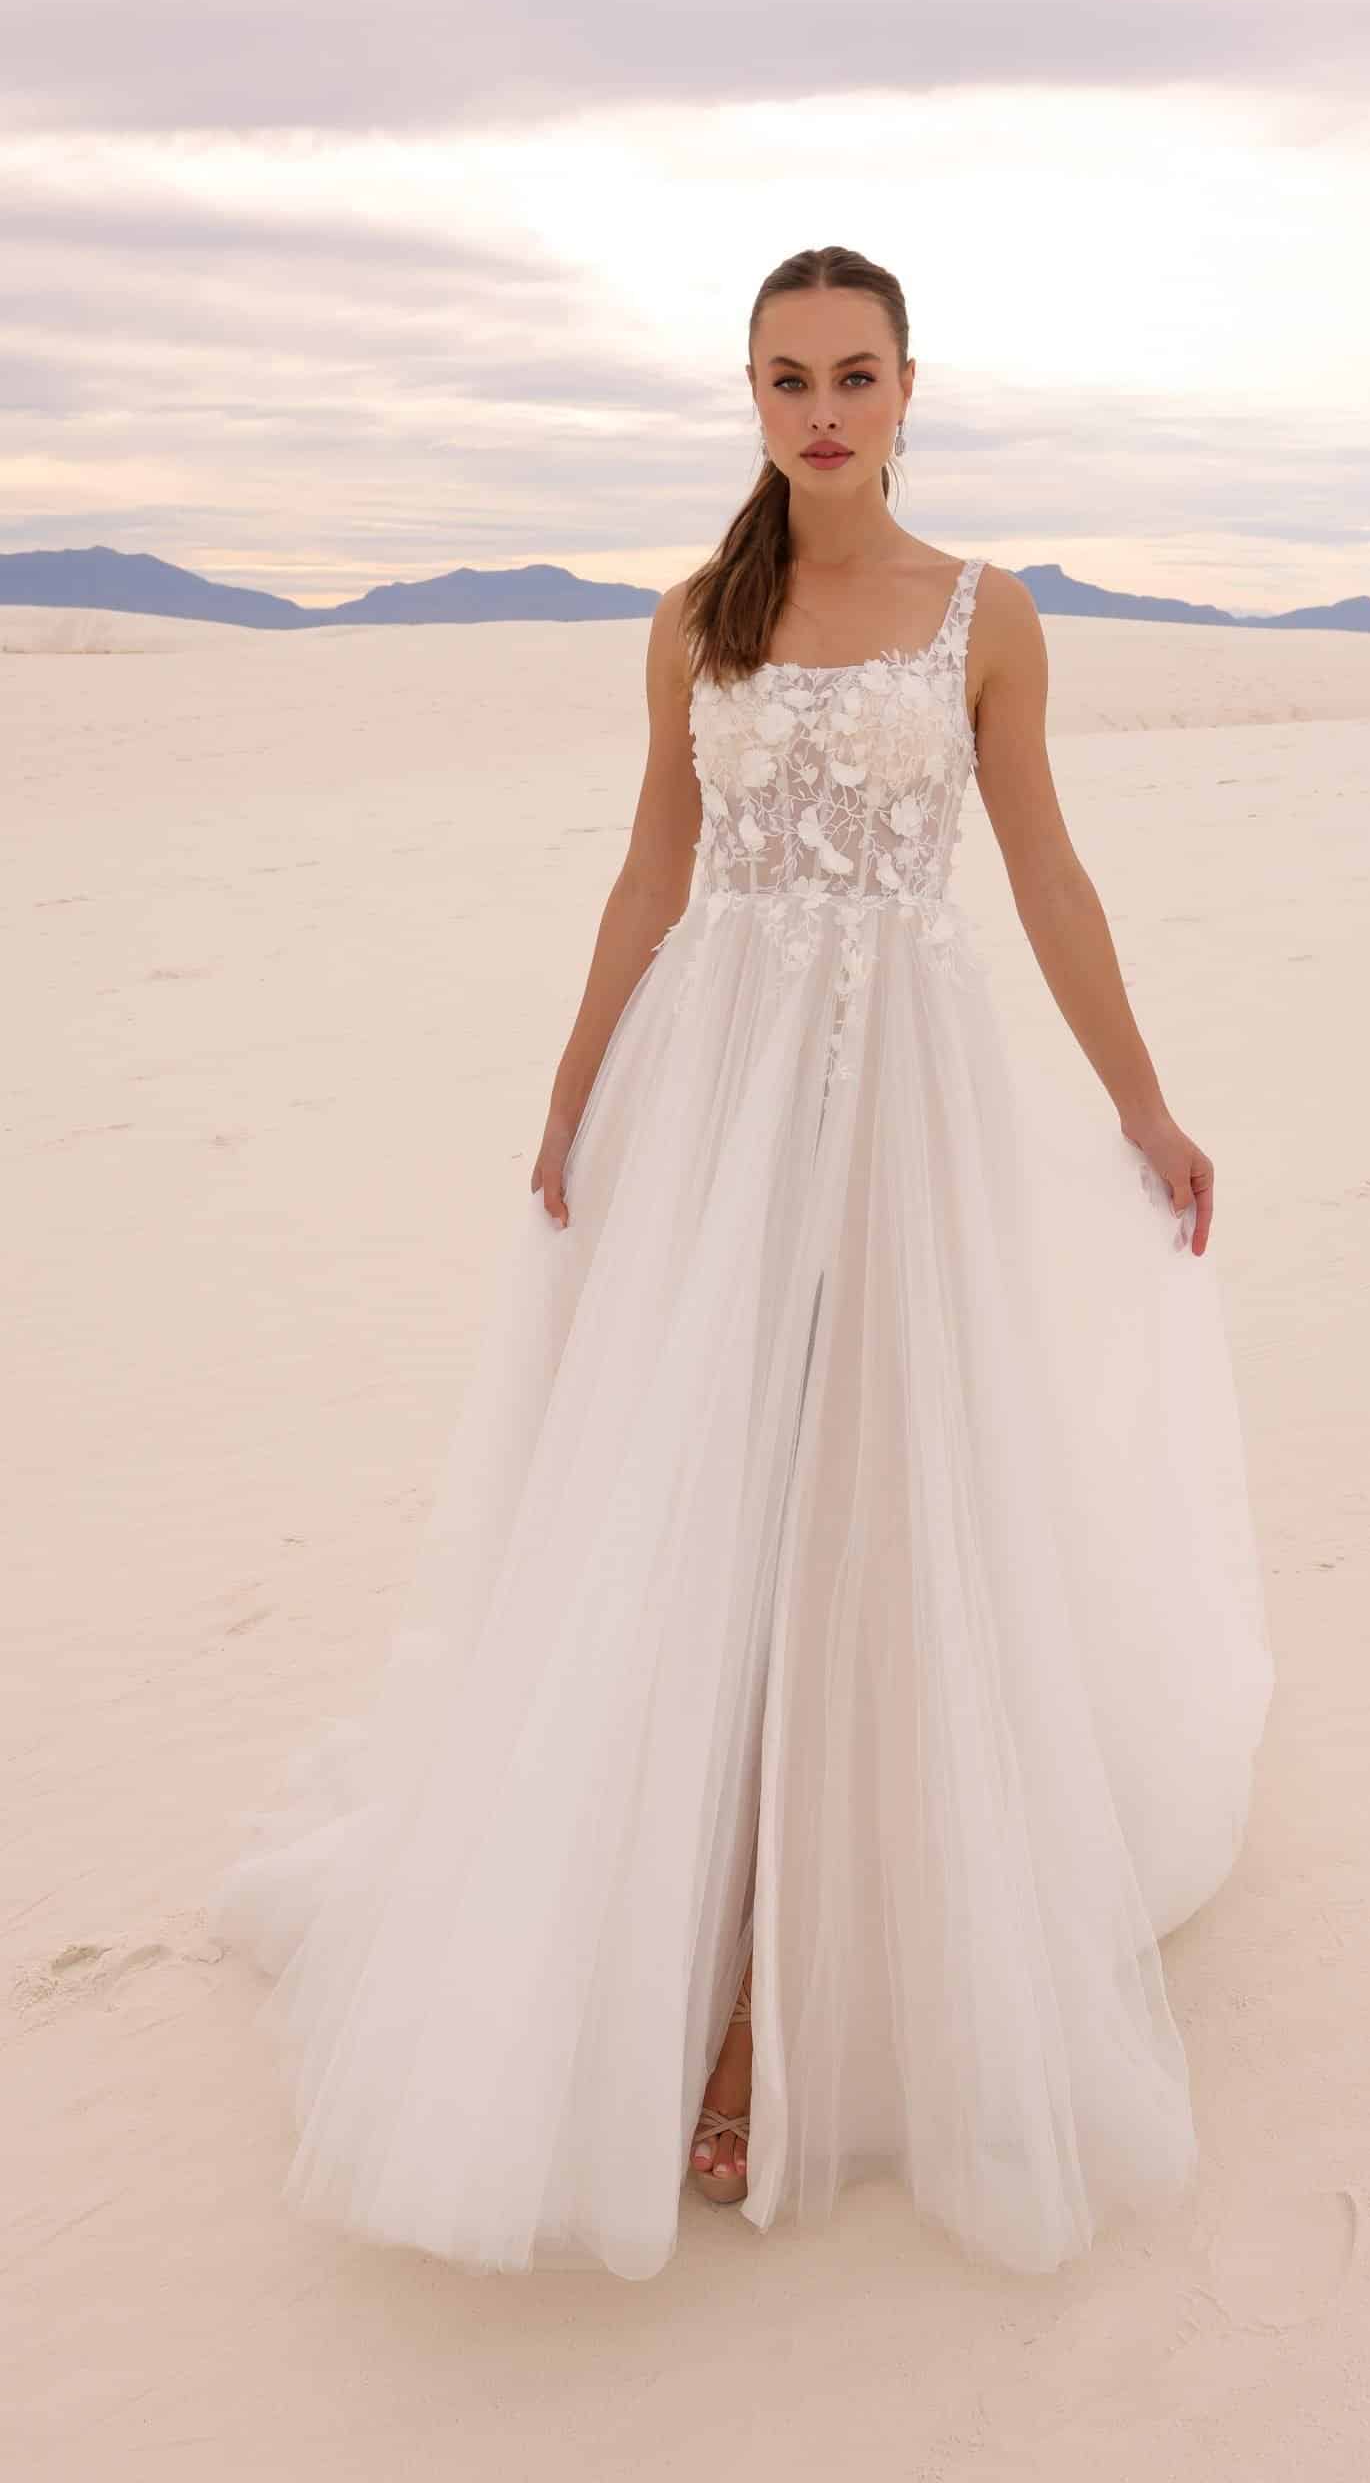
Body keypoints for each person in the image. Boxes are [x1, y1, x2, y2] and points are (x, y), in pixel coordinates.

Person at [208, 242, 1274, 2283]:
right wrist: (569, 1090)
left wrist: (1142, 1099)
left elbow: (1040, 865)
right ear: (750, 395)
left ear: (903, 391)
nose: (819, 410)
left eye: (851, 375)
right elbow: (649, 866)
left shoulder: (987, 614)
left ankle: (776, 1986)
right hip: (715, 1106)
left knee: (859, 1507)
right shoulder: (696, 618)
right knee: (704, 1504)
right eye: (785, 376)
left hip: (905, 1117)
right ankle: (686, 1960)